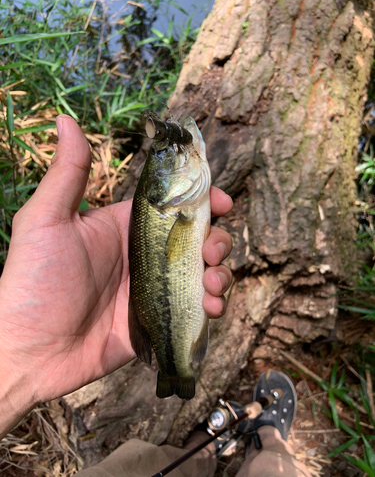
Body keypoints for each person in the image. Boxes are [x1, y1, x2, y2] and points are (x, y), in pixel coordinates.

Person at [0, 115, 311, 477]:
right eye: (167, 158)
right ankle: (264, 445)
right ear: (162, 190)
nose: (178, 152)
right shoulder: (174, 210)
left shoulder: (176, 208)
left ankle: (201, 453)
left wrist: (15, 359)